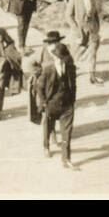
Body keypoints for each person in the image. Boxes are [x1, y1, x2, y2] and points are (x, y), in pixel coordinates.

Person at [38, 31, 78, 169]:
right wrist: (44, 103)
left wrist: (73, 100)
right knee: (47, 126)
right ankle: (46, 146)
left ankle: (66, 159)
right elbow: (40, 87)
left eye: (64, 58)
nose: (62, 60)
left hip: (67, 105)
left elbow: (73, 83)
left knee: (67, 132)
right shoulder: (48, 69)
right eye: (60, 58)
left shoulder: (70, 66)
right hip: (51, 103)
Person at [64, 0, 103, 84]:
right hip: (79, 31)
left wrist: (97, 28)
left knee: (93, 53)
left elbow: (96, 14)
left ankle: (92, 75)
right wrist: (75, 28)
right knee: (75, 54)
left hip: (92, 30)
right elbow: (68, 15)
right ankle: (70, 73)